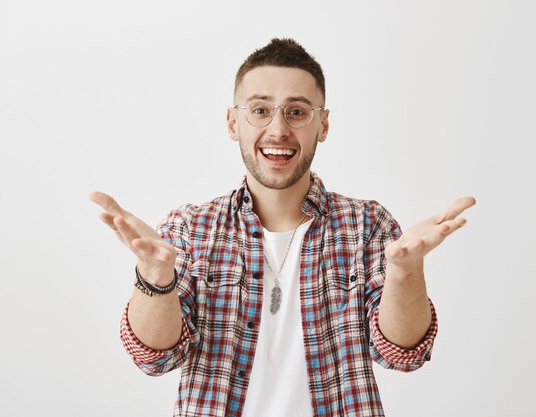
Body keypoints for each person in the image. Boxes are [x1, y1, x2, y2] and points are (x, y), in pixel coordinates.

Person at [90, 38, 475, 417]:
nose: (278, 130)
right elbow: (155, 357)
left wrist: (406, 272)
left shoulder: (368, 225)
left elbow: (402, 354)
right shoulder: (191, 228)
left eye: (297, 112)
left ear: (322, 124)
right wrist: (156, 276)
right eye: (260, 110)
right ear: (233, 122)